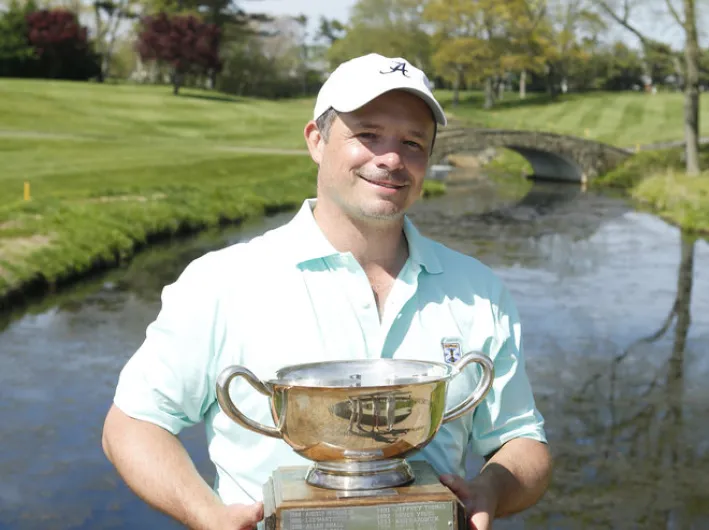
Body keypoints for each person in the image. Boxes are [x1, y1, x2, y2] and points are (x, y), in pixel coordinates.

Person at [102, 53, 552, 530]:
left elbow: (521, 441)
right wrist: (206, 514)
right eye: (368, 134)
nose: (392, 158)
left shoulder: (479, 290)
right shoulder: (221, 281)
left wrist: (493, 489)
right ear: (317, 141)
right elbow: (132, 425)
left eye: (413, 142)